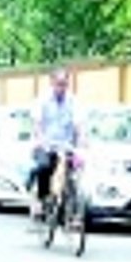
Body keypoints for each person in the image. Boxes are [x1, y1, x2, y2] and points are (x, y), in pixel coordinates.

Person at [29, 67, 79, 222]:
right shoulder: (43, 100)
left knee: (75, 171)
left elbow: (78, 124)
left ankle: (73, 209)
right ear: (52, 83)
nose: (62, 87)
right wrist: (41, 140)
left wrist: (82, 140)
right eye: (59, 83)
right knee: (44, 167)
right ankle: (42, 198)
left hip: (66, 145)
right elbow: (37, 123)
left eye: (65, 84)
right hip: (46, 144)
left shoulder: (73, 101)